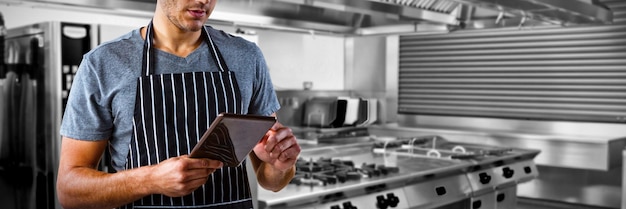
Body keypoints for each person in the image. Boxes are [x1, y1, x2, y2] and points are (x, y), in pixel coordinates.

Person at [56, 0, 301, 208]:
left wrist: (280, 166)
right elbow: (69, 191)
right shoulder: (103, 64)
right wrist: (151, 180)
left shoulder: (247, 57)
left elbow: (271, 180)